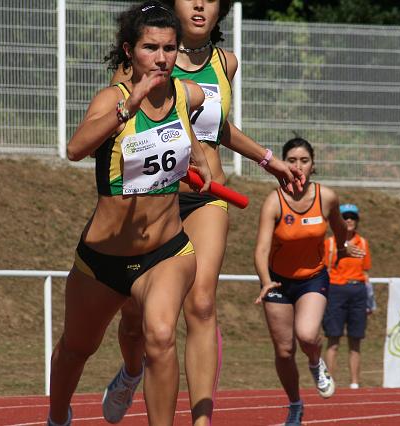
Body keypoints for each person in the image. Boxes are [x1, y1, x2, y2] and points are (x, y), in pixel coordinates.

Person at [103, 1, 304, 425]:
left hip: (207, 193)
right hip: (153, 198)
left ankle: (201, 419)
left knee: (201, 302)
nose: (199, 4)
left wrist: (269, 159)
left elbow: (217, 125)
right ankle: (132, 371)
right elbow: (117, 125)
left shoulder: (225, 62)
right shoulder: (142, 58)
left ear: (221, 10)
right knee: (136, 317)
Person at [46, 3, 213, 425]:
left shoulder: (186, 94)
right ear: (130, 51)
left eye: (170, 48)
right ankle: (57, 417)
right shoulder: (112, 99)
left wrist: (202, 162)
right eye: (150, 47)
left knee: (159, 335)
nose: (161, 58)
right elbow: (74, 149)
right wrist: (131, 104)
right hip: (103, 260)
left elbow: (205, 132)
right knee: (76, 348)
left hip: (166, 251)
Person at [253, 137, 365, 426]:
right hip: (277, 282)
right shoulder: (274, 201)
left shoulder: (326, 197)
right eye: (291, 160)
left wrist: (341, 249)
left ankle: (316, 363)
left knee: (306, 335)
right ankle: (295, 404)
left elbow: (340, 228)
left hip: (313, 279)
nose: (297, 166)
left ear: (313, 166)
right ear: (282, 164)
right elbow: (262, 248)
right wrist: (265, 280)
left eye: (304, 160)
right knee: (284, 350)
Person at [322, 203, 373, 390]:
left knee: (355, 340)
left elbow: (366, 271)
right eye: (345, 217)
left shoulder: (364, 243)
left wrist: (370, 300)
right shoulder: (329, 243)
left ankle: (354, 383)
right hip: (335, 290)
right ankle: (328, 382)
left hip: (358, 291)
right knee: (333, 339)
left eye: (353, 217)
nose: (349, 220)